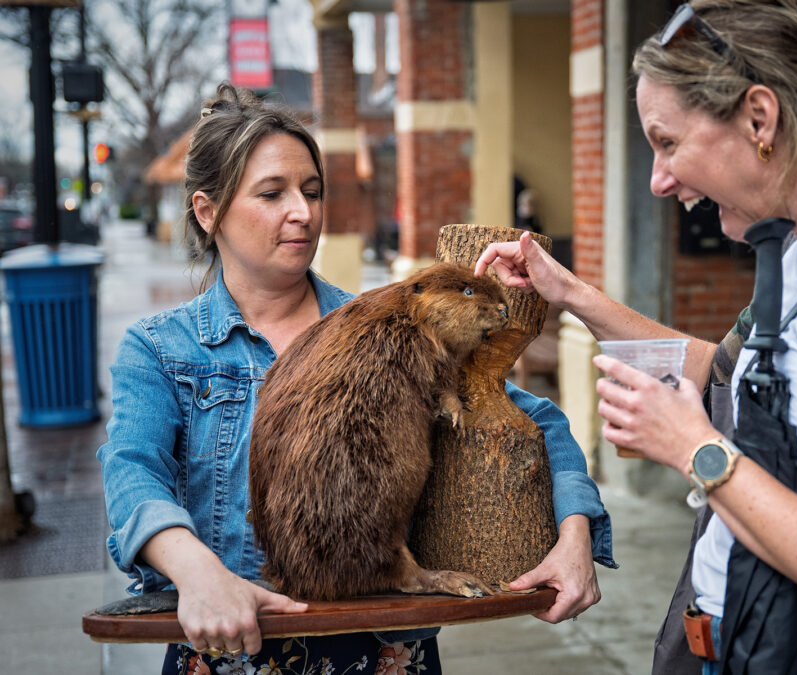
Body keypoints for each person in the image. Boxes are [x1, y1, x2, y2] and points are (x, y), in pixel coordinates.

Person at [475, 1, 797, 672]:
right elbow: (722, 375)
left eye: (667, 142)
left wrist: (696, 448)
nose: (659, 181)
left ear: (760, 118)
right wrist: (570, 294)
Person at [98, 83, 614, 675]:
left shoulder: (389, 322)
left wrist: (575, 537)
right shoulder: (161, 348)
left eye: (312, 192)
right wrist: (198, 574)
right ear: (207, 211)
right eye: (272, 193)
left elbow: (538, 421)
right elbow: (133, 472)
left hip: (383, 652)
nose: (304, 212)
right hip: (233, 649)